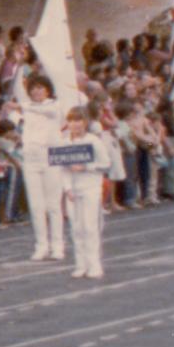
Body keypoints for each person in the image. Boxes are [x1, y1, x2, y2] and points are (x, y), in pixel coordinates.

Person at [15, 69, 72, 263]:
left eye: (41, 88)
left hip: (50, 157)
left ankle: (58, 246)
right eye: (33, 88)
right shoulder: (27, 106)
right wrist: (19, 63)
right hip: (31, 159)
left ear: (48, 91)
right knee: (36, 205)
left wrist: (24, 106)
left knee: (53, 205)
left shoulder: (54, 105)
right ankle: (41, 246)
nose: (37, 92)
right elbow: (16, 88)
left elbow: (48, 112)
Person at [58, 107, 114, 279]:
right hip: (73, 191)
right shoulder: (64, 142)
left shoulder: (94, 141)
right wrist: (67, 189)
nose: (75, 124)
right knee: (76, 228)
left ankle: (94, 264)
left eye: (78, 120)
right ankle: (80, 264)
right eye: (72, 120)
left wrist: (86, 167)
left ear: (85, 122)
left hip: (90, 187)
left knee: (90, 227)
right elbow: (62, 169)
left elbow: (105, 164)